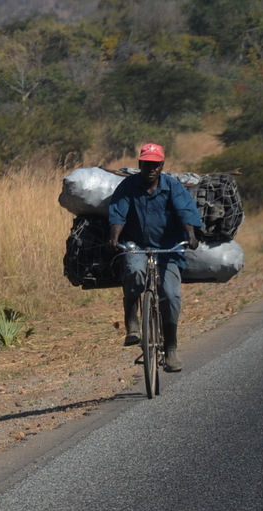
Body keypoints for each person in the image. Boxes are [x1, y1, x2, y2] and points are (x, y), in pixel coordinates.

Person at [107, 143, 202, 372]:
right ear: (139, 164)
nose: (150, 168)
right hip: (136, 243)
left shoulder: (173, 187)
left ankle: (170, 348)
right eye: (146, 164)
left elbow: (185, 211)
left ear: (162, 166)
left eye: (155, 165)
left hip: (168, 247)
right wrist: (114, 237)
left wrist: (191, 234)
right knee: (134, 271)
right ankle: (132, 319)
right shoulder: (128, 186)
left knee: (169, 295)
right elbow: (118, 212)